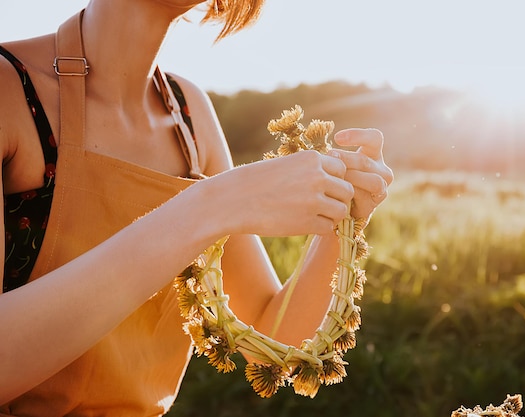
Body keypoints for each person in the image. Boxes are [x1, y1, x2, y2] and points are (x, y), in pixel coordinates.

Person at [0, 0, 393, 414]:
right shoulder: (9, 89)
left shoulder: (191, 117)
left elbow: (272, 331)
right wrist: (210, 205)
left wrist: (342, 217)